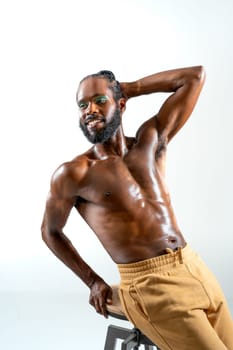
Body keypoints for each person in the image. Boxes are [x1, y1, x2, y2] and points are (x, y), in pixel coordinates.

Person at [41, 66, 233, 349]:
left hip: (194, 267)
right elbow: (50, 231)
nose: (89, 110)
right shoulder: (75, 173)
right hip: (148, 285)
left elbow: (194, 77)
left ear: (120, 104)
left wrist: (128, 88)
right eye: (83, 105)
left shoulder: (150, 141)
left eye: (99, 100)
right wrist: (92, 281)